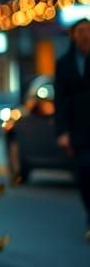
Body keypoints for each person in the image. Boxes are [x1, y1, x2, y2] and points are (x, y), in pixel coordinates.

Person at [53, 18, 90, 242]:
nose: (85, 35)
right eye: (81, 31)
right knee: (85, 175)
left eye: (88, 30)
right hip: (78, 131)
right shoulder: (64, 63)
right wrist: (62, 132)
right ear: (73, 35)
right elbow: (60, 100)